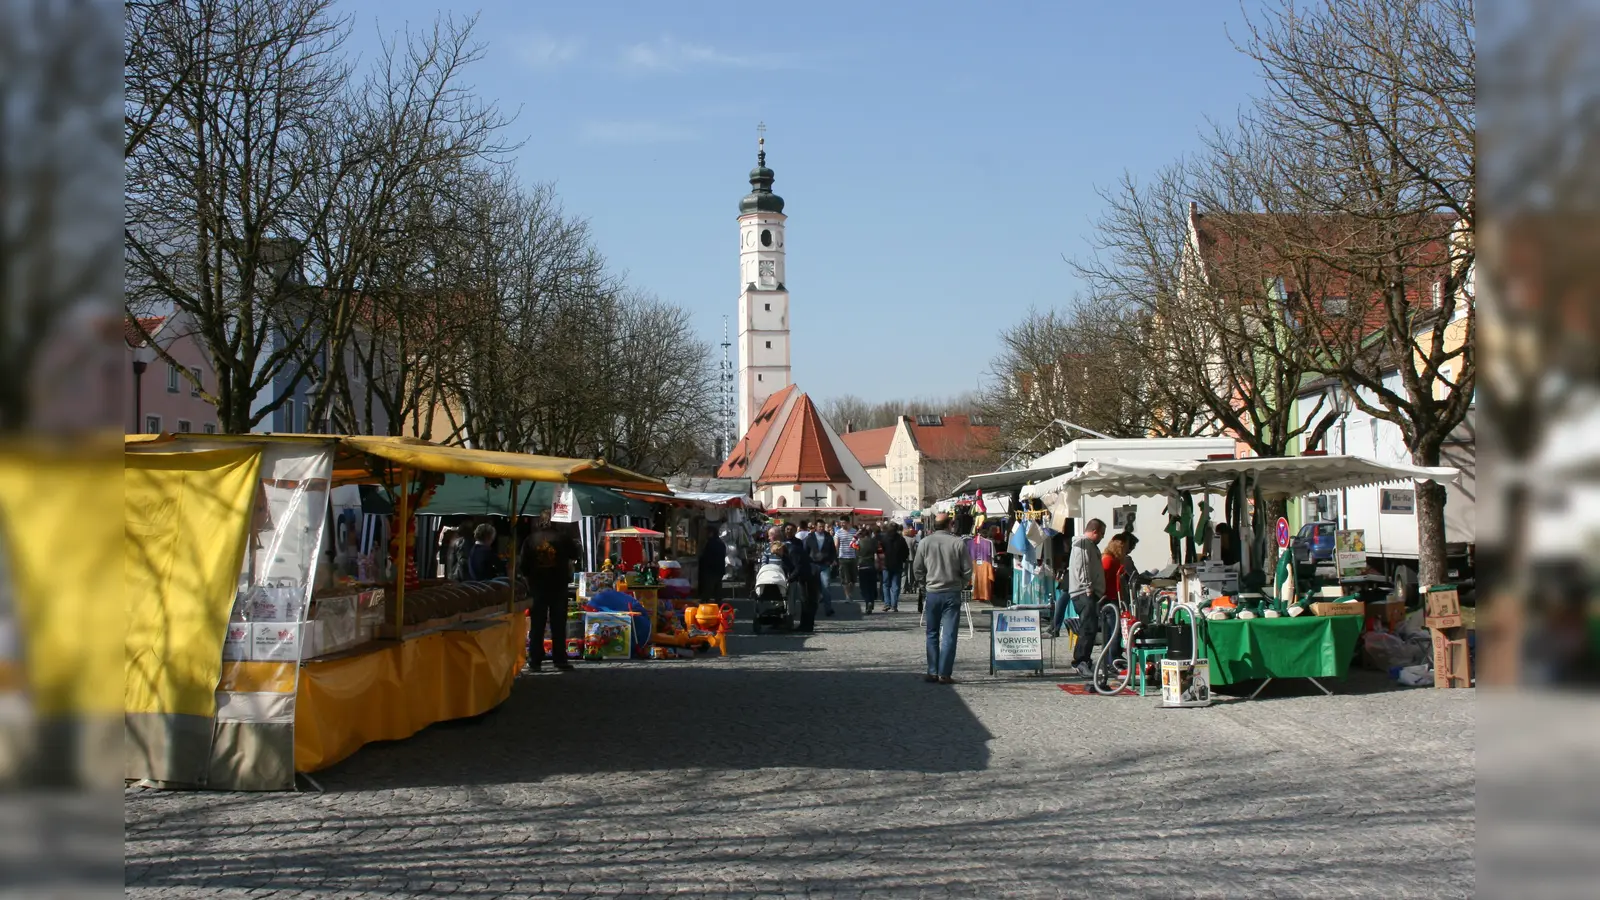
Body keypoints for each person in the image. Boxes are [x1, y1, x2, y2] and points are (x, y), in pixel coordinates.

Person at [913, 513, 973, 684]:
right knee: (949, 634)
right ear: (950, 524)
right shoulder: (958, 543)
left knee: (931, 633)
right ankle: (944, 674)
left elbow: (917, 568)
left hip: (932, 592)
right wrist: (961, 584)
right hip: (952, 592)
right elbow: (968, 569)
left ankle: (932, 671)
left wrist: (924, 584)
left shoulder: (925, 542)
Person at [522, 519, 577, 672]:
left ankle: (535, 660)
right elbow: (575, 553)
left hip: (537, 586)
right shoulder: (562, 537)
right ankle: (559, 659)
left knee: (537, 625)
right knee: (558, 624)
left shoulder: (530, 539)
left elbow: (523, 566)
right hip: (558, 585)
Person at [1066, 518, 1108, 676]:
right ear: (1095, 531)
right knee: (1088, 627)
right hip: (1083, 592)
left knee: (1089, 627)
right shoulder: (1083, 543)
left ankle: (1085, 660)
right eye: (1101, 534)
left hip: (1088, 592)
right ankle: (1080, 661)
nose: (1102, 537)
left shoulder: (1089, 545)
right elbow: (1082, 565)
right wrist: (1087, 587)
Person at [754, 536, 795, 630]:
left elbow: (789, 567)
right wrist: (765, 568)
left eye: (779, 551)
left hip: (780, 579)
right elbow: (764, 563)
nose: (776, 553)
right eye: (775, 551)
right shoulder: (767, 552)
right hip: (768, 577)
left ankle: (785, 615)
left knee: (784, 598)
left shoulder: (785, 557)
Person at [784, 522, 818, 632]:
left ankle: (807, 626)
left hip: (808, 575)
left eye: (791, 529)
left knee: (807, 601)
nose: (788, 531)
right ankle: (805, 625)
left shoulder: (792, 549)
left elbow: (799, 566)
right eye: (787, 529)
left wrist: (790, 579)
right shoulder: (788, 548)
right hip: (804, 575)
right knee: (804, 600)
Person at [804, 520, 838, 616]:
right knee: (812, 588)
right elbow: (806, 551)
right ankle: (811, 609)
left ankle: (828, 608)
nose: (821, 528)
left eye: (823, 526)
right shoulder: (810, 537)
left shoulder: (828, 537)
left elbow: (833, 550)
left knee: (826, 586)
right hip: (813, 564)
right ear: (815, 527)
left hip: (824, 564)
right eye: (820, 526)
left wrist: (833, 560)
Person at [881, 523, 911, 612]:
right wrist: (902, 559)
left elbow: (880, 551)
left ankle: (887, 603)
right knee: (896, 586)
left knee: (886, 585)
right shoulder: (901, 539)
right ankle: (894, 605)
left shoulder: (884, 539)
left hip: (886, 564)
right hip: (897, 564)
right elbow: (906, 551)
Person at [1102, 532, 1138, 603]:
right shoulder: (1108, 560)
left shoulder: (1115, 560)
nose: (1127, 551)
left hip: (1116, 597)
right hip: (1110, 598)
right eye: (1126, 548)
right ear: (1120, 547)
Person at [697, 524, 727, 602]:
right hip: (719, 571)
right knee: (718, 592)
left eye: (706, 532)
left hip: (711, 571)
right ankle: (719, 608)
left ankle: (704, 608)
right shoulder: (721, 543)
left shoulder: (711, 543)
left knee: (707, 592)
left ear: (711, 533)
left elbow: (707, 558)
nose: (705, 535)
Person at [856, 523, 880, 613]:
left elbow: (851, 545)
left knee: (864, 587)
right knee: (872, 586)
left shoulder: (859, 542)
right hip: (871, 565)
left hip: (862, 565)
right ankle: (871, 602)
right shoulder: (875, 542)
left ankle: (867, 602)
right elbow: (879, 552)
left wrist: (856, 535)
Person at [836, 520, 858, 593]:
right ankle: (847, 596)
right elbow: (836, 545)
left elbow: (857, 544)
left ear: (848, 523)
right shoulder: (838, 532)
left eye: (844, 523)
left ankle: (850, 593)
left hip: (853, 557)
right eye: (841, 523)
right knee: (845, 579)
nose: (842, 524)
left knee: (853, 579)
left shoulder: (854, 531)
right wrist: (836, 556)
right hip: (842, 558)